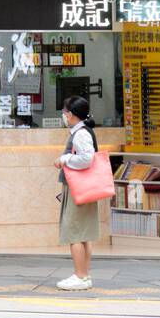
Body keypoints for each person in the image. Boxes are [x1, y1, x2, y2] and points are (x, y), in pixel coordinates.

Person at [55, 95, 99, 291]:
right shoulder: (83, 131)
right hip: (85, 188)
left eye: (64, 112)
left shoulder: (80, 134)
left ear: (71, 115)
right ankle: (84, 275)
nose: (63, 115)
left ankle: (80, 276)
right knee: (83, 234)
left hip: (78, 189)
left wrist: (65, 159)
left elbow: (87, 159)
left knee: (74, 233)